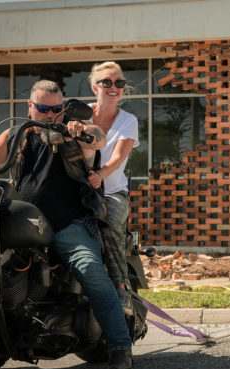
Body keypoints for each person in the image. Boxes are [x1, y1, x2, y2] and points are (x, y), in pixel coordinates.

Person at [0, 80, 133, 369]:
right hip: (23, 221)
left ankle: (120, 347)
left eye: (56, 109)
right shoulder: (18, 134)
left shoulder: (72, 133)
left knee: (91, 269)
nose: (50, 115)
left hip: (69, 222)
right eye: (43, 108)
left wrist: (84, 129)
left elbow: (98, 140)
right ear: (30, 106)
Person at [86, 62, 138, 312]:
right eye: (107, 82)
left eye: (119, 83)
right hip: (79, 191)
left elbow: (117, 159)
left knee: (107, 224)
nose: (113, 87)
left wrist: (99, 175)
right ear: (94, 85)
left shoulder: (128, 120)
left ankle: (120, 288)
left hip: (112, 192)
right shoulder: (78, 114)